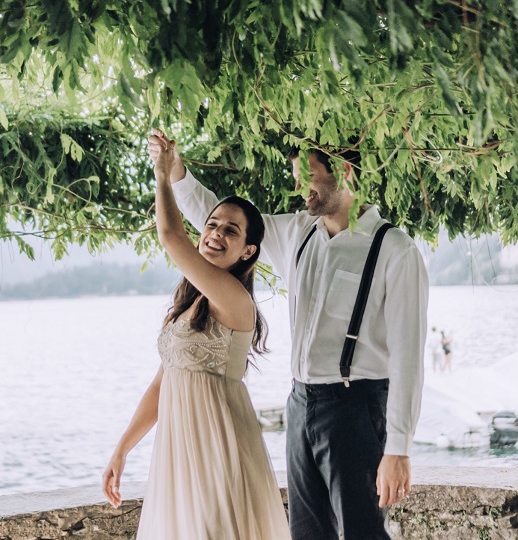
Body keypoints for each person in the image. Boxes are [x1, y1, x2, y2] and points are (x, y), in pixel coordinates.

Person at [148, 130, 429, 540]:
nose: (299, 190)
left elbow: (408, 356)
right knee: (306, 533)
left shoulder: (394, 250)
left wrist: (399, 448)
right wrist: (175, 172)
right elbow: (217, 214)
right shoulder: (298, 232)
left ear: (346, 172)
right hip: (300, 403)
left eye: (307, 177)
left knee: (362, 532)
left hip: (357, 406)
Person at [101, 134, 291, 540]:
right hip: (179, 451)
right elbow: (160, 384)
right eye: (211, 224)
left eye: (231, 231)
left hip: (219, 447)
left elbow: (171, 238)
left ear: (248, 251)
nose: (215, 234)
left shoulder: (235, 299)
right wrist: (122, 449)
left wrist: (163, 176)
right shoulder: (190, 304)